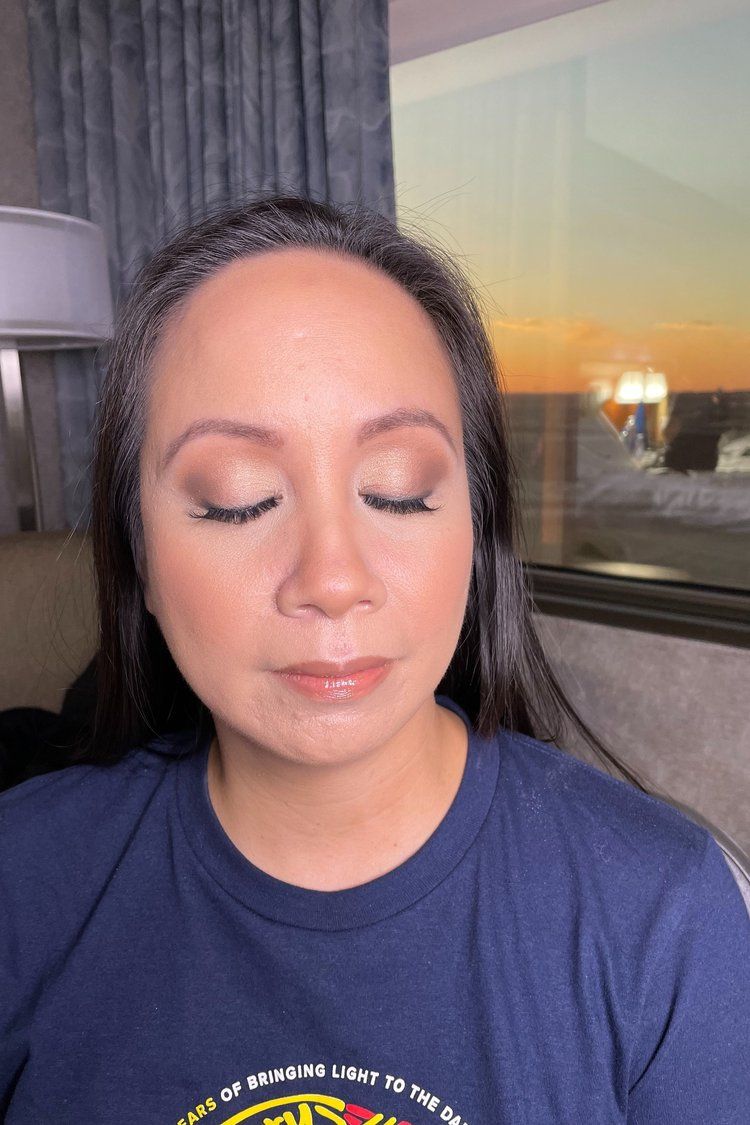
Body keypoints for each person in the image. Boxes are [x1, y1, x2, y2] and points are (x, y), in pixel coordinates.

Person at [1, 195, 748, 1125]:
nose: (333, 578)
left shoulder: (666, 915)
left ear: (476, 532)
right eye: (238, 501)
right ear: (140, 556)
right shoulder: (21, 882)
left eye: (396, 493)